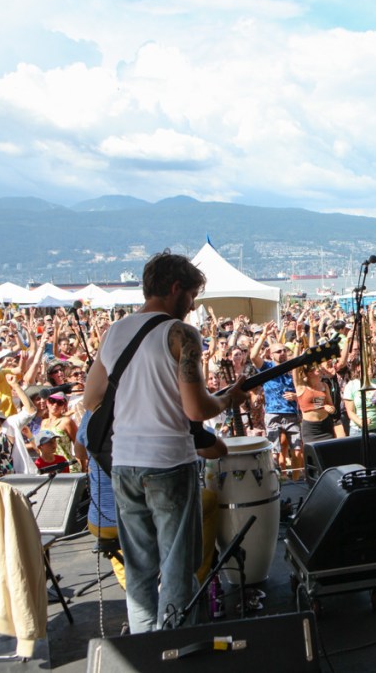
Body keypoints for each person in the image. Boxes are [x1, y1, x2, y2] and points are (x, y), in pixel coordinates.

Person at [83, 251, 246, 633]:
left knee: (139, 568)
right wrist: (227, 400)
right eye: (191, 296)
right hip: (168, 462)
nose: (192, 306)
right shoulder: (181, 334)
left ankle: (145, 649)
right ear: (175, 288)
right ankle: (175, 649)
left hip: (124, 463)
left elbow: (91, 399)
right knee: (176, 566)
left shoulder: (115, 332)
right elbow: (196, 409)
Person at [251, 324, 303, 477]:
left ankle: (296, 481)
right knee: (275, 452)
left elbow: (301, 388)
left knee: (297, 451)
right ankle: (278, 480)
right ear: (271, 354)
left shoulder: (291, 367)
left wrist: (296, 396)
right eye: (278, 351)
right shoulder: (267, 367)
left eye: (284, 350)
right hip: (273, 413)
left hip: (291, 413)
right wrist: (263, 335)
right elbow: (253, 356)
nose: (282, 353)